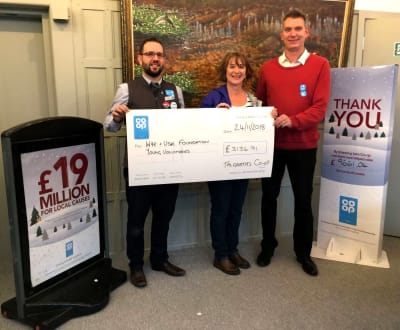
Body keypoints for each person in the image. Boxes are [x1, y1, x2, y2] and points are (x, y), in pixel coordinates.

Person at [104, 37, 186, 288]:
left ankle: (160, 259)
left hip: (170, 168)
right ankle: (136, 265)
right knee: (136, 221)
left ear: (165, 59)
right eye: (150, 54)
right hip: (139, 170)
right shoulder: (127, 89)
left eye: (159, 54)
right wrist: (117, 117)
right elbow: (109, 124)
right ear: (140, 58)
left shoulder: (175, 90)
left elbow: (185, 127)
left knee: (164, 217)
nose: (155, 59)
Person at [255, 9, 331, 276]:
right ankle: (268, 246)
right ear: (281, 34)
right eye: (288, 29)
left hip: (304, 146)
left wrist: (294, 120)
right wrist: (269, 113)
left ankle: (303, 253)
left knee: (303, 201)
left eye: (298, 28)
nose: (293, 34)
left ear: (306, 32)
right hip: (272, 147)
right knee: (269, 198)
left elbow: (320, 108)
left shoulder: (320, 65)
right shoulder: (268, 68)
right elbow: (261, 103)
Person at [200, 52, 258, 275]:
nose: (236, 70)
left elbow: (259, 128)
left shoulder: (253, 100)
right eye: (232, 66)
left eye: (241, 67)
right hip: (219, 165)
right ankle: (221, 254)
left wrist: (268, 116)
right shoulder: (212, 98)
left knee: (236, 209)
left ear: (246, 71)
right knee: (221, 209)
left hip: (243, 164)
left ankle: (233, 249)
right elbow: (200, 130)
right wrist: (214, 117)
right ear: (225, 71)